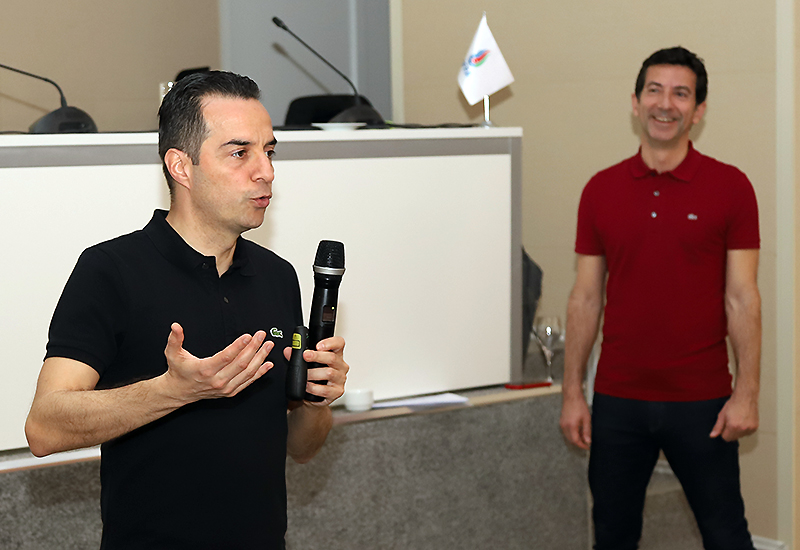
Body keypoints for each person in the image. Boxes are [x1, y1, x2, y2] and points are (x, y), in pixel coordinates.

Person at [25, 71, 349, 549]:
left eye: (269, 151)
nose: (266, 171)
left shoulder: (278, 276)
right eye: (240, 153)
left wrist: (315, 399)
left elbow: (302, 448)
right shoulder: (112, 270)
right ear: (181, 166)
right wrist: (173, 391)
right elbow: (44, 428)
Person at [559, 47, 760, 550]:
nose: (665, 104)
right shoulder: (600, 190)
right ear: (635, 102)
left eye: (680, 94)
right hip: (618, 400)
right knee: (613, 536)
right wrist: (572, 393)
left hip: (703, 402)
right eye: (654, 90)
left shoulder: (731, 188)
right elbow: (585, 298)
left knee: (726, 536)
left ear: (699, 109)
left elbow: (742, 298)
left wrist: (747, 393)